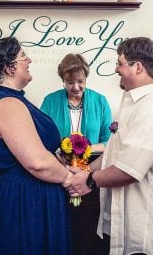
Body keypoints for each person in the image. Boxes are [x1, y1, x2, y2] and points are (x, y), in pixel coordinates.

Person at [64, 37, 153, 255]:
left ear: (138, 67)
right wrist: (85, 170)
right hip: (125, 226)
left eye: (120, 63)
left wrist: (88, 181)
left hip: (149, 231)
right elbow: (113, 154)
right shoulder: (134, 102)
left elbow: (128, 170)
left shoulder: (151, 110)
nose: (116, 69)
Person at [0, 37, 73, 255]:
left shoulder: (9, 99)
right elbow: (37, 163)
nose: (29, 60)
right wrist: (70, 179)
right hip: (20, 205)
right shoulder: (7, 103)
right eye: (23, 56)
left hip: (25, 199)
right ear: (9, 67)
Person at [40, 53, 113, 255]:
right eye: (69, 82)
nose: (75, 87)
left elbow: (110, 142)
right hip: (59, 170)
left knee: (88, 227)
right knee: (63, 225)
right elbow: (42, 139)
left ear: (86, 78)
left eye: (80, 82)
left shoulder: (100, 101)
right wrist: (60, 158)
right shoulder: (50, 101)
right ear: (62, 80)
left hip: (92, 171)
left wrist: (86, 149)